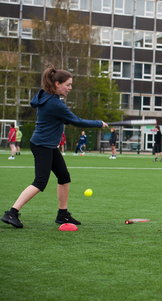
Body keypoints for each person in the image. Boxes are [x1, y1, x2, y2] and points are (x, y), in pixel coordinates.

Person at [1, 66, 108, 229]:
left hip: (48, 145)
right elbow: (76, 121)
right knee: (40, 182)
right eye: (68, 85)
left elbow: (55, 118)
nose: (70, 88)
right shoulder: (54, 103)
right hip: (42, 145)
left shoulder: (45, 95)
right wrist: (98, 123)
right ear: (57, 84)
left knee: (64, 177)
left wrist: (62, 120)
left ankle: (62, 214)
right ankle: (12, 212)